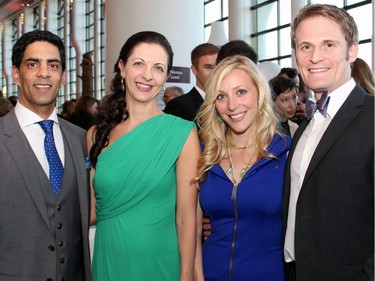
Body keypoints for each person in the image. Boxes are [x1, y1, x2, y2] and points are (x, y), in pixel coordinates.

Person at [87, 31, 200, 281]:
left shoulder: (182, 134)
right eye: (138, 63)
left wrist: (186, 276)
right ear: (122, 67)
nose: (147, 75)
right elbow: (91, 209)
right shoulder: (96, 134)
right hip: (109, 262)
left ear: (166, 77)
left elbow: (186, 217)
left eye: (158, 68)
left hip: (161, 265)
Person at [283, 4, 374, 281]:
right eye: (305, 46)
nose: (315, 57)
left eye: (328, 44)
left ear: (352, 50)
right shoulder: (306, 127)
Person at [0, 30, 91, 280]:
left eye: (53, 65)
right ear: (17, 74)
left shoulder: (80, 139)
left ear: (62, 77)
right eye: (33, 64)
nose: (44, 73)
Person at [194, 55, 291, 281]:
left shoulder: (286, 152)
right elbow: (190, 226)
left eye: (241, 92)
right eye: (221, 96)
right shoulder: (204, 153)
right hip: (211, 273)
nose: (232, 105)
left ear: (259, 92)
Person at [164, 43, 219, 121]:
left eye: (218, 67)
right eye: (208, 67)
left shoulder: (225, 102)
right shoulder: (179, 106)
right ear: (194, 70)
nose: (215, 72)